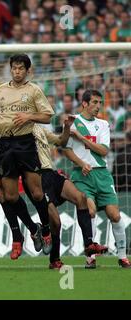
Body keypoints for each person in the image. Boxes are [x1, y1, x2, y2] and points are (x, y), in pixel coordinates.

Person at [21, 121, 109, 268]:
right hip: (36, 179)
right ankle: (54, 260)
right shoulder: (17, 133)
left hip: (52, 173)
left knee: (81, 198)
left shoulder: (40, 129)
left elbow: (61, 141)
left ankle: (89, 245)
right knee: (56, 222)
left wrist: (67, 128)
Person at [0, 53, 55, 255]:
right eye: (14, 68)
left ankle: (45, 229)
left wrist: (29, 116)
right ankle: (32, 228)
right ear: (10, 69)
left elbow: (47, 117)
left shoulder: (34, 90)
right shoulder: (0, 90)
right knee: (10, 196)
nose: (17, 72)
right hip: (5, 145)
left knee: (36, 193)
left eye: (21, 68)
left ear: (28, 70)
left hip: (25, 144)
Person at [64, 89, 131, 268]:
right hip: (81, 175)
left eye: (100, 103)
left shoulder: (103, 124)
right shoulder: (73, 122)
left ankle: (123, 256)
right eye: (94, 102)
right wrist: (80, 162)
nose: (98, 106)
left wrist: (81, 137)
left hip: (102, 173)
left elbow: (103, 150)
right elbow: (66, 150)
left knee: (115, 215)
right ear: (84, 103)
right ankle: (91, 257)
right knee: (90, 211)